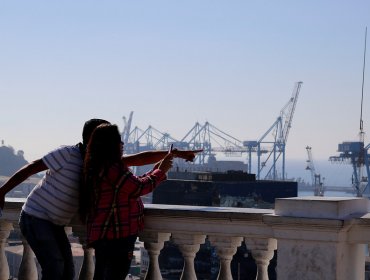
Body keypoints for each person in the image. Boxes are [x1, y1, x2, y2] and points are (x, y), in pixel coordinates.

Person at [0, 118, 201, 280]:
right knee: (56, 267)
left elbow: (141, 157)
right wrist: (2, 191)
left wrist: (175, 153)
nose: (121, 144)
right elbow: (30, 168)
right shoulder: (69, 154)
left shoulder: (97, 163)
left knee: (67, 270)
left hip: (54, 223)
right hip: (36, 216)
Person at [79, 123, 174, 280]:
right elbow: (139, 188)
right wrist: (161, 171)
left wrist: (157, 169)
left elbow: (131, 184)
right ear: (110, 145)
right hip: (117, 236)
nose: (122, 144)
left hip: (106, 236)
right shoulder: (112, 168)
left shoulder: (100, 166)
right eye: (119, 141)